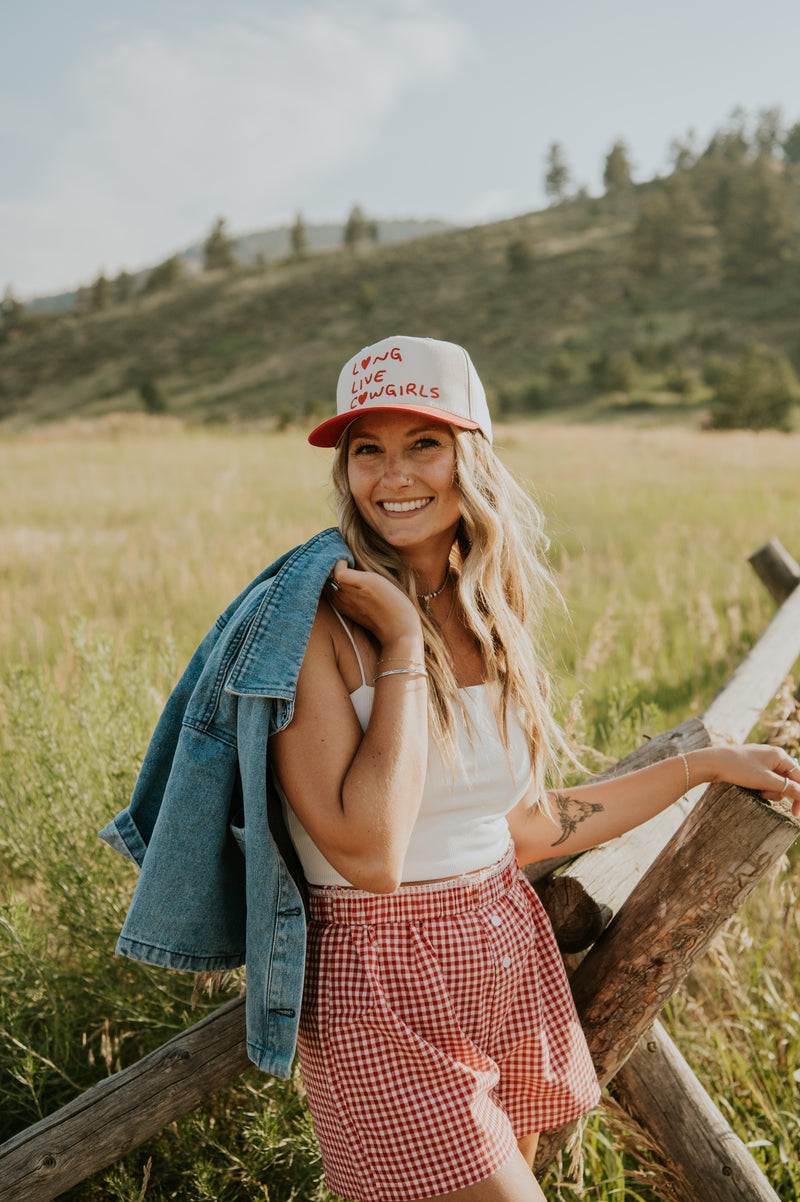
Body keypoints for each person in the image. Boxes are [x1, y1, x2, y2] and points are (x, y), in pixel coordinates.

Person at [102, 334, 800, 1202]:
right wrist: (398, 643)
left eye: (422, 444)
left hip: (504, 949)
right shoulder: (317, 623)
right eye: (368, 452)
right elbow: (370, 855)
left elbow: (523, 825)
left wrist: (700, 766)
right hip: (378, 984)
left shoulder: (492, 612)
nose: (393, 476)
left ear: (470, 456)